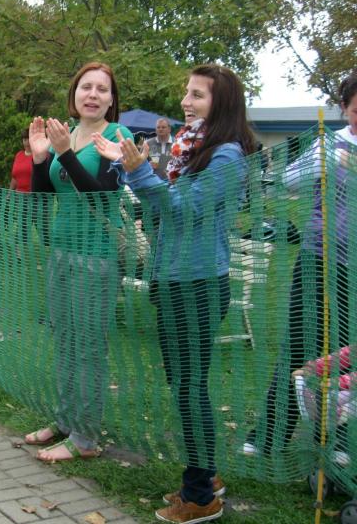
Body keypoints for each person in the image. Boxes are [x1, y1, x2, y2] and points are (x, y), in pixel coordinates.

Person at [95, 63, 256, 523]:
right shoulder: (194, 150)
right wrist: (129, 166)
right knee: (186, 384)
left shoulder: (226, 157)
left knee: (190, 388)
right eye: (187, 93)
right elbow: (161, 206)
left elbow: (183, 209)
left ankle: (200, 497)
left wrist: (140, 171)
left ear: (222, 104)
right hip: (174, 280)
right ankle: (207, 476)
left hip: (197, 285)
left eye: (197, 95)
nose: (185, 102)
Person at [23, 62, 134, 463]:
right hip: (62, 252)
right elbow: (44, 196)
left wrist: (66, 154)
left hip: (95, 257)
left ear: (112, 99)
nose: (93, 95)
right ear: (74, 94)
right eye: (86, 87)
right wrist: (41, 159)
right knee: (66, 341)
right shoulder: (65, 135)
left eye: (102, 89)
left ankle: (85, 437)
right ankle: (66, 420)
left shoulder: (118, 137)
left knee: (88, 346)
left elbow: (101, 195)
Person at [243, 71, 357, 459]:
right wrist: (322, 163)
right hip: (317, 260)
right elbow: (288, 181)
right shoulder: (330, 144)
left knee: (345, 354)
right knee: (298, 345)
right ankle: (270, 434)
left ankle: (337, 442)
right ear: (344, 108)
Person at [10, 127, 33, 192]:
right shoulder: (18, 155)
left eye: (29, 139)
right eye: (25, 139)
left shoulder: (39, 156)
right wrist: (9, 193)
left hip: (33, 196)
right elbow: (14, 177)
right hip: (18, 196)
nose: (27, 143)